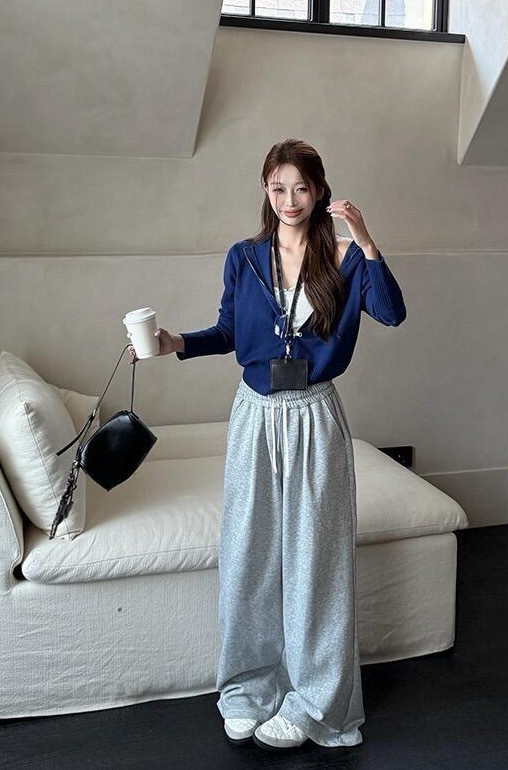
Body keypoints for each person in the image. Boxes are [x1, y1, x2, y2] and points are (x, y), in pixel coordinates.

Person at [151, 138, 406, 751]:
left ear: (319, 191)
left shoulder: (344, 257)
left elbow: (391, 312)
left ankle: (317, 702)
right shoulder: (244, 257)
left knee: (317, 560)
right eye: (277, 188)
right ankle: (249, 688)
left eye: (300, 188)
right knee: (249, 554)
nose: (289, 200)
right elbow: (228, 331)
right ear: (265, 191)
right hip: (254, 415)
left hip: (314, 415)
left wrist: (366, 240)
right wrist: (175, 344)